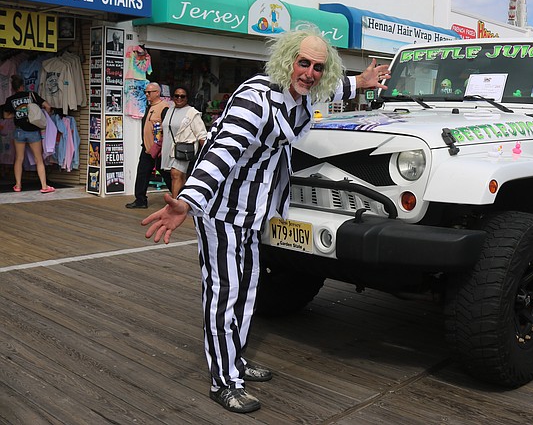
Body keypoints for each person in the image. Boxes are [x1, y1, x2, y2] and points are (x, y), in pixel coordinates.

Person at [141, 29, 390, 413]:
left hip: (255, 210)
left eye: (316, 67)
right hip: (221, 209)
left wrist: (361, 82)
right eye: (302, 62)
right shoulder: (256, 99)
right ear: (286, 59)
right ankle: (223, 380)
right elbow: (223, 151)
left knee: (248, 289)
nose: (308, 72)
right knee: (224, 294)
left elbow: (330, 88)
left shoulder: (304, 92)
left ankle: (235, 360)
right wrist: (189, 200)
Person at [2, 75, 55, 193]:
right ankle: (44, 186)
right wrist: (44, 114)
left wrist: (17, 114)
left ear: (13, 88)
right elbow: (48, 106)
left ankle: (18, 185)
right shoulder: (32, 95)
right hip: (33, 131)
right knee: (38, 159)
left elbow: (5, 116)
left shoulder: (10, 99)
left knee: (19, 158)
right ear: (22, 86)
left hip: (19, 131)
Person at [126, 82, 170, 209]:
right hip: (147, 148)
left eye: (149, 92)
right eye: (146, 92)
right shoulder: (149, 106)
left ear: (157, 92)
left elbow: (166, 129)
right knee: (142, 173)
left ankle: (180, 198)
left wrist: (161, 146)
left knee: (166, 174)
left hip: (158, 149)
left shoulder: (164, 107)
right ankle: (140, 200)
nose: (146, 94)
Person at [161, 86, 207, 198]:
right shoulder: (169, 110)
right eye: (176, 96)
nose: (179, 98)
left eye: (183, 96)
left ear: (187, 98)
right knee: (179, 176)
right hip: (169, 148)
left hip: (183, 148)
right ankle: (183, 200)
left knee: (176, 174)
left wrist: (206, 154)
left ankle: (175, 203)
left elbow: (202, 134)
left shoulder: (192, 113)